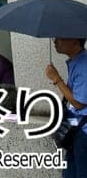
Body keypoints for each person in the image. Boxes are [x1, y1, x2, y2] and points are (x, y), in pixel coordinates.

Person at [45, 38, 87, 177]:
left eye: (60, 38)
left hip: (83, 132)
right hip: (75, 127)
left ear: (75, 40)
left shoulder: (84, 65)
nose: (55, 41)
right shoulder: (77, 61)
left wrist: (57, 79)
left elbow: (79, 103)